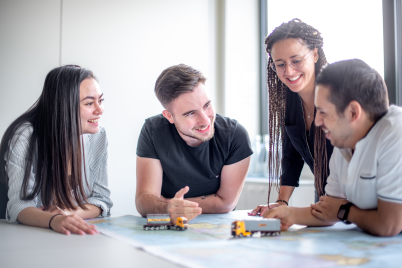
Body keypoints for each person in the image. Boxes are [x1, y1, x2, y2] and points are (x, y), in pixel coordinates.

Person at [264, 59, 402, 237]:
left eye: (323, 112)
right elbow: (328, 210)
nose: (317, 122)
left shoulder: (395, 132)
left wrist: (345, 211)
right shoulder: (344, 144)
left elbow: (388, 225)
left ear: (353, 112)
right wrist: (290, 214)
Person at [0, 65, 112, 235]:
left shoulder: (98, 136)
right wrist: (55, 220)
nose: (100, 109)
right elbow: (19, 207)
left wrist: (69, 214)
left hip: (74, 237)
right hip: (30, 237)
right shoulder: (26, 136)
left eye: (100, 100)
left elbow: (101, 200)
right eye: (89, 103)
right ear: (63, 105)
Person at [135, 64, 253, 222]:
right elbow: (144, 200)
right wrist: (167, 208)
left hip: (218, 228)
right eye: (191, 113)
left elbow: (225, 203)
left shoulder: (235, 136)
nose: (205, 120)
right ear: (169, 116)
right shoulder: (153, 131)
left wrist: (170, 204)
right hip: (170, 227)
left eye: (207, 105)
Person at [250, 18, 333, 216]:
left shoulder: (338, 96)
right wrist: (282, 202)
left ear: (314, 54)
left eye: (296, 60)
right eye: (280, 64)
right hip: (324, 200)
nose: (288, 71)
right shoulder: (290, 101)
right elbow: (291, 155)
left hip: (359, 200)